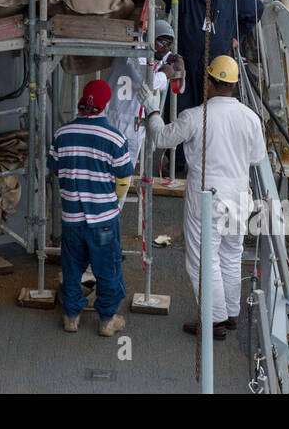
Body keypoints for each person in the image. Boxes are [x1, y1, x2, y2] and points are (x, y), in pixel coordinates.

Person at [145, 55, 267, 340]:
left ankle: (215, 322)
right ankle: (231, 313)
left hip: (207, 197)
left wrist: (152, 111)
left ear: (209, 82)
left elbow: (161, 138)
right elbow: (257, 158)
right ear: (234, 85)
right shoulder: (250, 118)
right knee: (231, 254)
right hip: (239, 196)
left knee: (203, 260)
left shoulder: (195, 116)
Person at [47, 79, 132, 337]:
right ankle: (107, 319)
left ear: (81, 102)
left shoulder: (62, 134)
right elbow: (124, 172)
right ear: (106, 104)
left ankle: (71, 316)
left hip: (71, 216)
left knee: (72, 268)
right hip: (103, 217)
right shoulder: (115, 137)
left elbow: (53, 167)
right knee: (108, 269)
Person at [156, 0, 263, 110]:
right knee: (180, 110)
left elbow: (257, 9)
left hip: (215, 67)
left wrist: (237, 35)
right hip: (186, 64)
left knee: (211, 111)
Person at [104, 18, 184, 171]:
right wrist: (166, 74)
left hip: (135, 123)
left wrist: (176, 59)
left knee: (125, 175)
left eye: (169, 44)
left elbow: (162, 57)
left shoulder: (152, 51)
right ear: (151, 38)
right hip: (118, 119)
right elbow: (149, 83)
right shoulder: (134, 50)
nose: (165, 48)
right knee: (112, 172)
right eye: (162, 43)